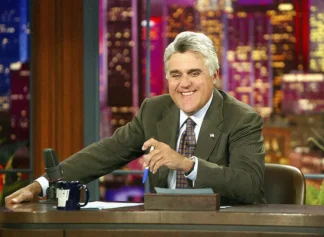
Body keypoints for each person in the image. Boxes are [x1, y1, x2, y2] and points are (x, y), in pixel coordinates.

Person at [5, 31, 266, 206]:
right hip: (162, 227)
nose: (184, 84)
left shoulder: (241, 118)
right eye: (175, 75)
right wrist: (40, 185)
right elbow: (105, 153)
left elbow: (250, 186)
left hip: (223, 230)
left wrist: (186, 164)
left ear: (214, 75)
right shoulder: (154, 110)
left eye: (194, 73)